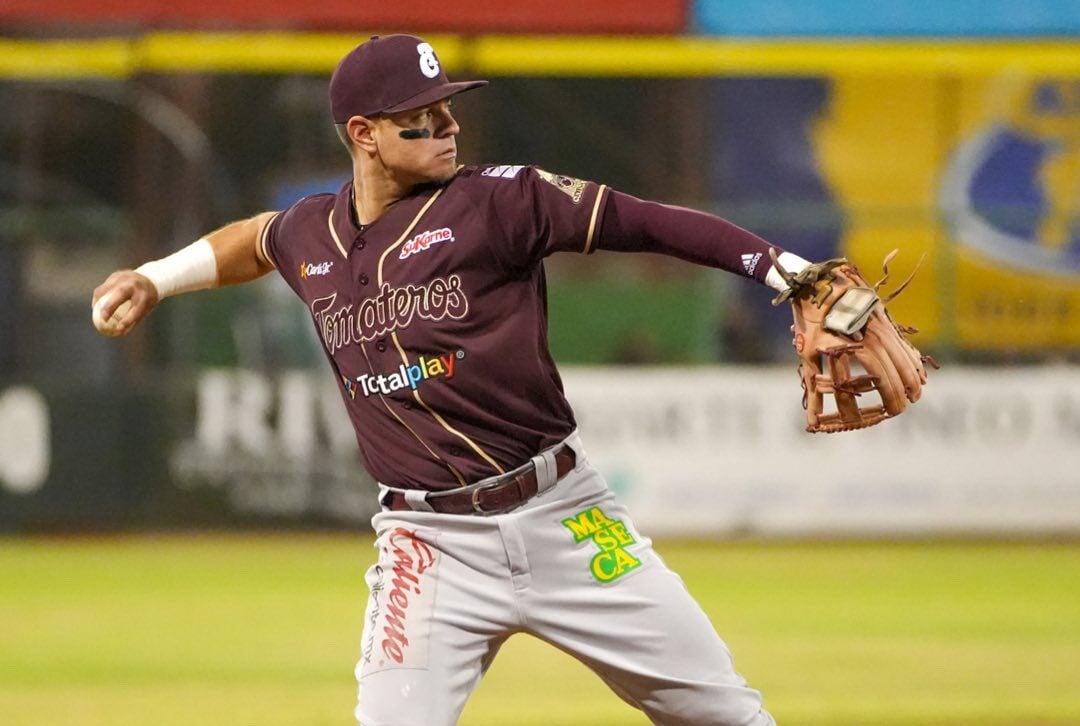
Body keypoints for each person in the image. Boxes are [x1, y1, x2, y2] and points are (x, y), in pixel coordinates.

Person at [93, 34, 809, 726]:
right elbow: (252, 240)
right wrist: (155, 279)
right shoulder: (312, 233)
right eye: (421, 117)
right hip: (428, 542)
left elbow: (648, 223)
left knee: (721, 714)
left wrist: (787, 272)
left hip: (567, 516)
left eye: (447, 107)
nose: (447, 124)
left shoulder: (502, 202)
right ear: (364, 133)